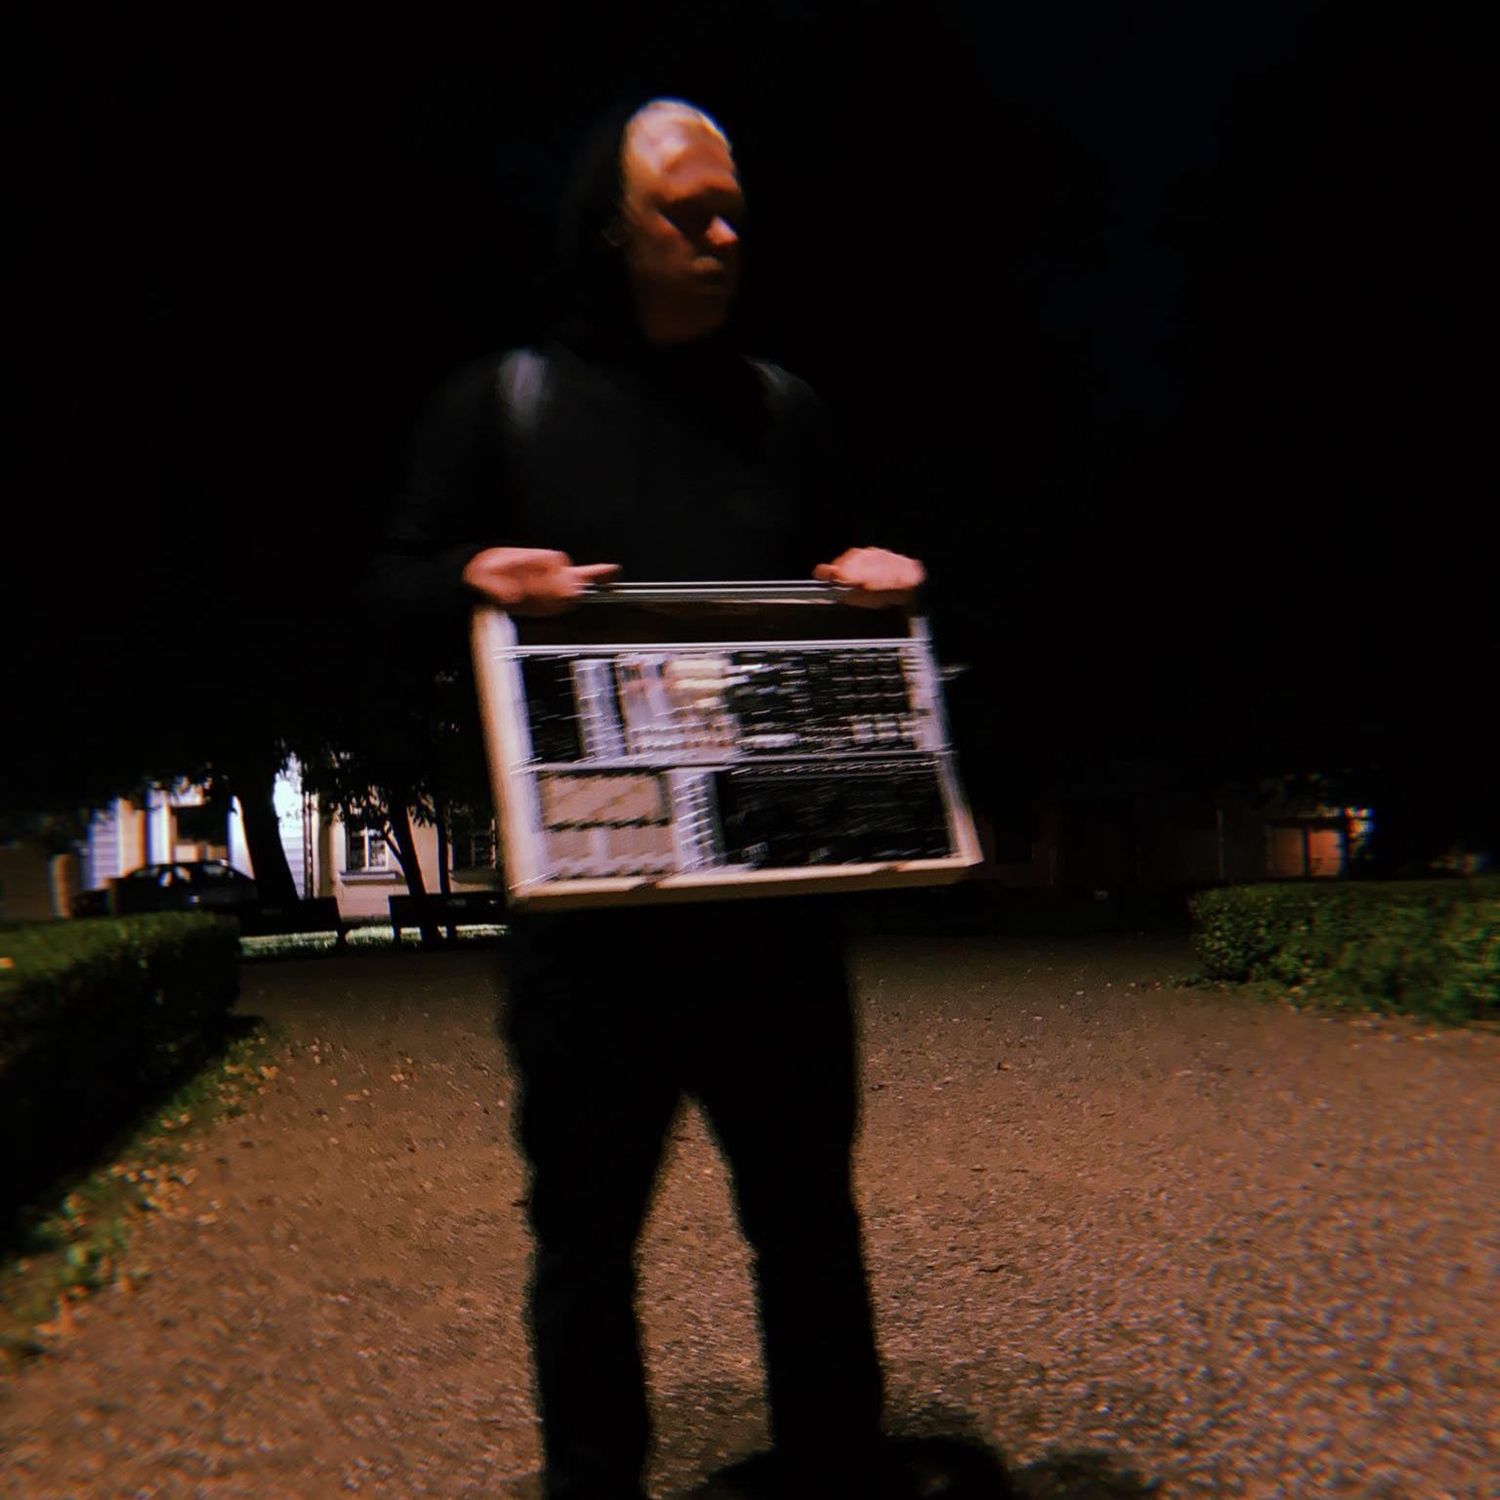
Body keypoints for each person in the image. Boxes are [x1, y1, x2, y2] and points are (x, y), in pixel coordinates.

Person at [383, 99, 926, 1500]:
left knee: (809, 1227)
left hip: (773, 918)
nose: (724, 234)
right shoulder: (505, 405)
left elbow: (840, 584)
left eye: (735, 208)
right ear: (613, 229)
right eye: (689, 211)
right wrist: (471, 578)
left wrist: (875, 585)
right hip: (589, 929)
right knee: (584, 1245)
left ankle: (837, 1477)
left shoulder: (786, 413)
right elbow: (389, 582)